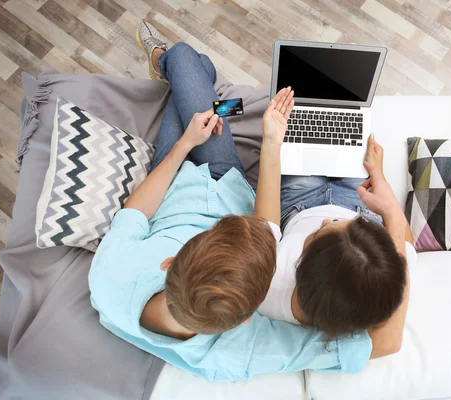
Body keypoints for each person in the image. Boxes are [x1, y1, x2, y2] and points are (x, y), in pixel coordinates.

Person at [88, 22, 376, 383]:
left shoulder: (109, 280)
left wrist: (184, 145)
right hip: (224, 175)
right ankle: (187, 76)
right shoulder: (238, 352)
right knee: (194, 70)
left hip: (172, 181)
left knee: (183, 59)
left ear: (169, 261)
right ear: (245, 319)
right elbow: (366, 346)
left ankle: (170, 66)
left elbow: (133, 213)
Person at [257, 134, 415, 352]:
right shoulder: (386, 272)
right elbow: (402, 234)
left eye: (314, 234)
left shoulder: (270, 287)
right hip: (362, 206)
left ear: (300, 270)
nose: (325, 219)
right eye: (339, 223)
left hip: (299, 202)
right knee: (354, 141)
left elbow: (266, 225)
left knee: (307, 129)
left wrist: (271, 143)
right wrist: (380, 176)